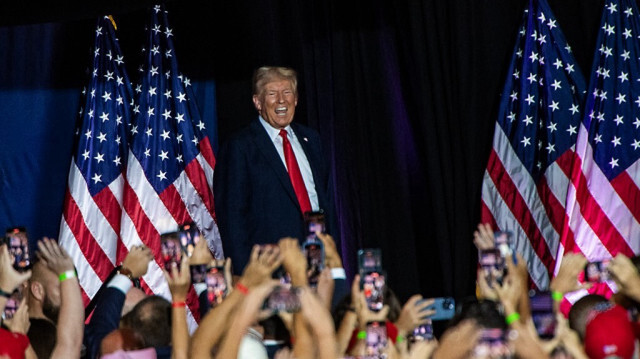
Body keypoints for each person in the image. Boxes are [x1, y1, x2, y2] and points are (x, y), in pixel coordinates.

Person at [214, 66, 338, 274]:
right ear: (258, 102)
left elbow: (324, 201)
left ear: (296, 99)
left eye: (287, 92)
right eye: (272, 94)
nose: (281, 100)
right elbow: (233, 219)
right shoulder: (240, 147)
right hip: (272, 270)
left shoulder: (312, 140)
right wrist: (249, 277)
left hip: (318, 263)